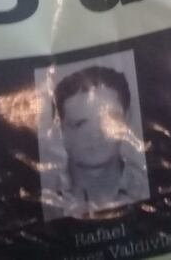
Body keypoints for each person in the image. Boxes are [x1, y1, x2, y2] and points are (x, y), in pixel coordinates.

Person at [43, 66, 148, 220]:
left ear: (127, 117)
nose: (95, 134)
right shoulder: (45, 203)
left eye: (108, 120)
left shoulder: (150, 188)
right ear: (59, 130)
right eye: (79, 124)